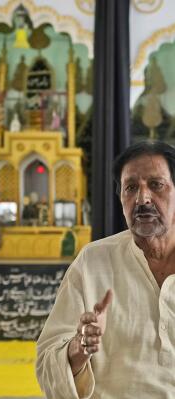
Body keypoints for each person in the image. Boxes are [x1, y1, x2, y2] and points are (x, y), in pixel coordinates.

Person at [36, 141, 175, 398]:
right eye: (131, 187)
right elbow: (46, 364)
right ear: (121, 198)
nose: (142, 198)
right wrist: (78, 350)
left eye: (156, 185)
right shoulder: (93, 263)